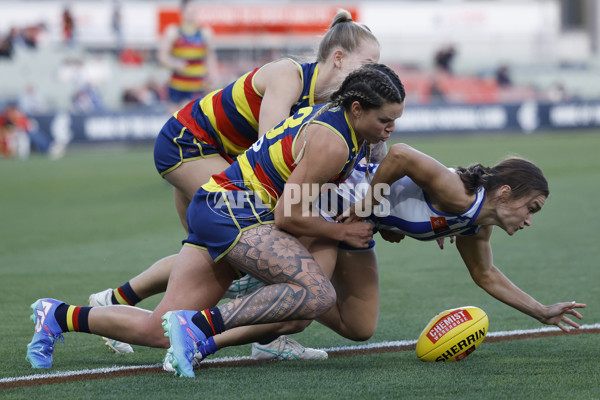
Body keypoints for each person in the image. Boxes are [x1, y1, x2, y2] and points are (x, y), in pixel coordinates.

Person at [26, 64, 407, 378]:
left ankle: (57, 316)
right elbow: (288, 213)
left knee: (157, 329)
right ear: (356, 108)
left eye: (395, 121)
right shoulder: (334, 141)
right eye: (385, 120)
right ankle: (198, 330)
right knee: (316, 293)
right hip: (235, 211)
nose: (390, 128)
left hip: (218, 206)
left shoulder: (344, 125)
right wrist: (341, 231)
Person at [87, 9, 382, 359]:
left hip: (223, 158)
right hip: (189, 146)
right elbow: (267, 145)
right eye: (368, 63)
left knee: (228, 256)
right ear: (338, 58)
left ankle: (117, 301)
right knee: (241, 247)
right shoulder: (289, 76)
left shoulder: (325, 103)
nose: (373, 72)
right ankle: (257, 338)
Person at [163, 146, 586, 372]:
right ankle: (201, 339)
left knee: (358, 327)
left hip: (359, 226)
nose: (531, 221)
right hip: (333, 211)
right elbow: (399, 154)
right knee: (301, 307)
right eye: (532, 208)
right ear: (506, 193)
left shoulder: (477, 224)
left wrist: (541, 311)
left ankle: (263, 296)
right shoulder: (457, 193)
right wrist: (368, 205)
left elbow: (486, 275)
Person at [158, 0, 218, 114]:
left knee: (192, 118)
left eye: (193, 11)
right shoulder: (173, 32)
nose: (191, 14)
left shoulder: (205, 33)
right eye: (189, 11)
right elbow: (162, 57)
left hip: (196, 85)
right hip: (177, 85)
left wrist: (213, 76)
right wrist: (175, 63)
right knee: (173, 120)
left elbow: (210, 57)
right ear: (182, 12)